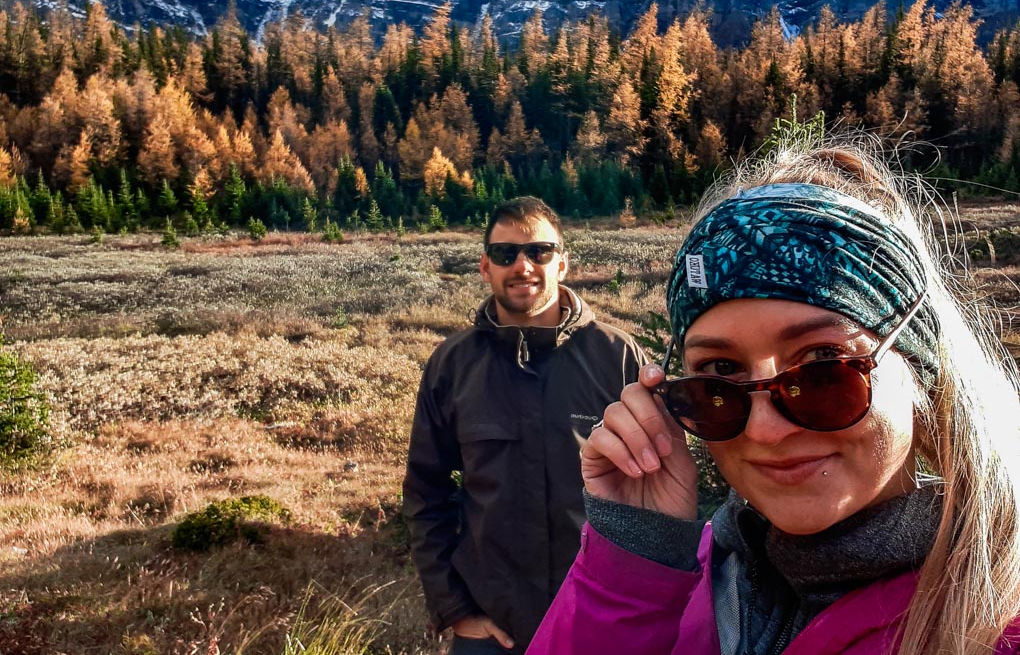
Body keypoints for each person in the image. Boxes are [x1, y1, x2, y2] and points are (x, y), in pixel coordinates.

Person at [527, 142, 1020, 654]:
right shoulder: (690, 572)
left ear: (921, 369)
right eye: (720, 372)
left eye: (823, 365)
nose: (765, 429)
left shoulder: (994, 627)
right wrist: (633, 557)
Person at [402, 196, 647, 654]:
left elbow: (657, 492)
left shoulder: (618, 358)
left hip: (600, 623)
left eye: (539, 251)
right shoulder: (452, 366)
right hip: (493, 631)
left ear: (563, 262)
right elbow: (424, 494)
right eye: (505, 254)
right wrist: (456, 609)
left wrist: (640, 605)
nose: (523, 266)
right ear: (485, 266)